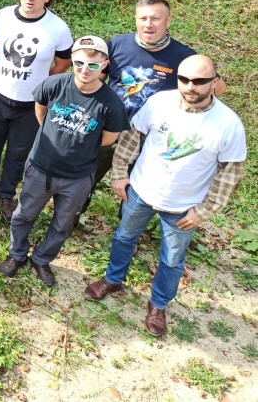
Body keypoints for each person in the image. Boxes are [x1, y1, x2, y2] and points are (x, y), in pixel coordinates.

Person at [84, 55, 246, 338]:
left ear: (214, 82)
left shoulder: (228, 124)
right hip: (141, 191)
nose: (190, 87)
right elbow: (133, 136)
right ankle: (113, 279)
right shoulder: (159, 102)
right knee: (124, 237)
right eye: (184, 79)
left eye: (200, 81)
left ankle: (158, 305)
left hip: (183, 207)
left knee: (171, 260)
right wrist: (120, 173)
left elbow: (231, 172)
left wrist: (204, 210)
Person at [0, 36, 128, 287]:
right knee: (24, 215)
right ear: (72, 60)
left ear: (104, 64)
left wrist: (78, 145)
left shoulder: (111, 104)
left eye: (92, 65)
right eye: (79, 63)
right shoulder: (54, 84)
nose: (84, 70)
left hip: (78, 176)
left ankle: (42, 259)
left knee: (62, 223)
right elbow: (40, 109)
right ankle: (17, 254)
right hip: (41, 168)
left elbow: (107, 139)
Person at [89, 0, 226, 189]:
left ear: (168, 21)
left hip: (147, 138)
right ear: (135, 19)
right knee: (84, 182)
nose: (148, 24)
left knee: (134, 192)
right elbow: (97, 81)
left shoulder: (183, 56)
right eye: (143, 18)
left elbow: (218, 87)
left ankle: (125, 218)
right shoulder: (118, 44)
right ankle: (73, 215)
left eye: (155, 19)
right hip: (108, 128)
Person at [0, 0, 73, 222]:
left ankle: (6, 193)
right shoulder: (2, 17)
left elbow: (63, 62)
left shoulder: (58, 28)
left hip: (31, 103)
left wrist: (41, 78)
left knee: (18, 152)